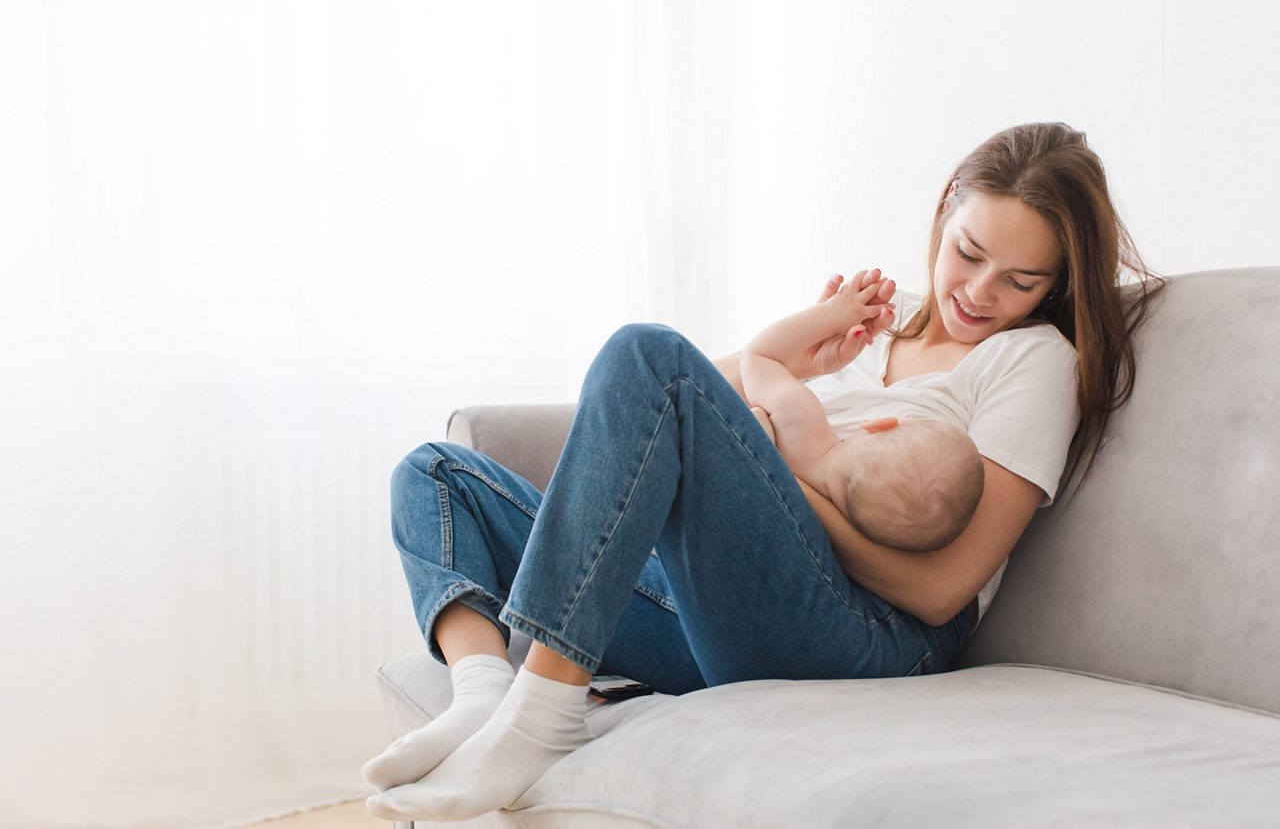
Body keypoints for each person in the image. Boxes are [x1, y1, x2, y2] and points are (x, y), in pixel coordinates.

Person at [363, 122, 1164, 822]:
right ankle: (484, 696)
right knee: (435, 476)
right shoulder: (871, 325)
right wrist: (796, 346)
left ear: (1057, 285)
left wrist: (789, 468)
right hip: (725, 603)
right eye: (969, 253)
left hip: (867, 633)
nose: (980, 293)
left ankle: (542, 716)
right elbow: (651, 408)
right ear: (948, 206)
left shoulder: (1032, 361)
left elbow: (941, 590)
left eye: (1021, 281)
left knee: (648, 349)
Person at [742, 270, 984, 553]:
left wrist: (829, 315)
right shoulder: (828, 530)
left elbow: (759, 356)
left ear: (879, 424)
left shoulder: (802, 421)